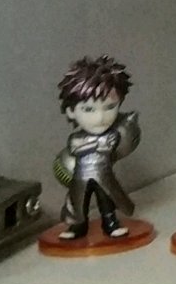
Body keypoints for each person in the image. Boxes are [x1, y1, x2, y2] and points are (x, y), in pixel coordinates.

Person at [54, 55, 141, 241]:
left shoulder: (112, 135)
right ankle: (78, 226)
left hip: (104, 175)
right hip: (80, 177)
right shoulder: (76, 138)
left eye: (110, 107)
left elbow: (112, 148)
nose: (100, 118)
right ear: (71, 111)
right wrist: (97, 145)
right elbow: (76, 149)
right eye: (88, 109)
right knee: (78, 203)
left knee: (107, 200)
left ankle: (111, 224)